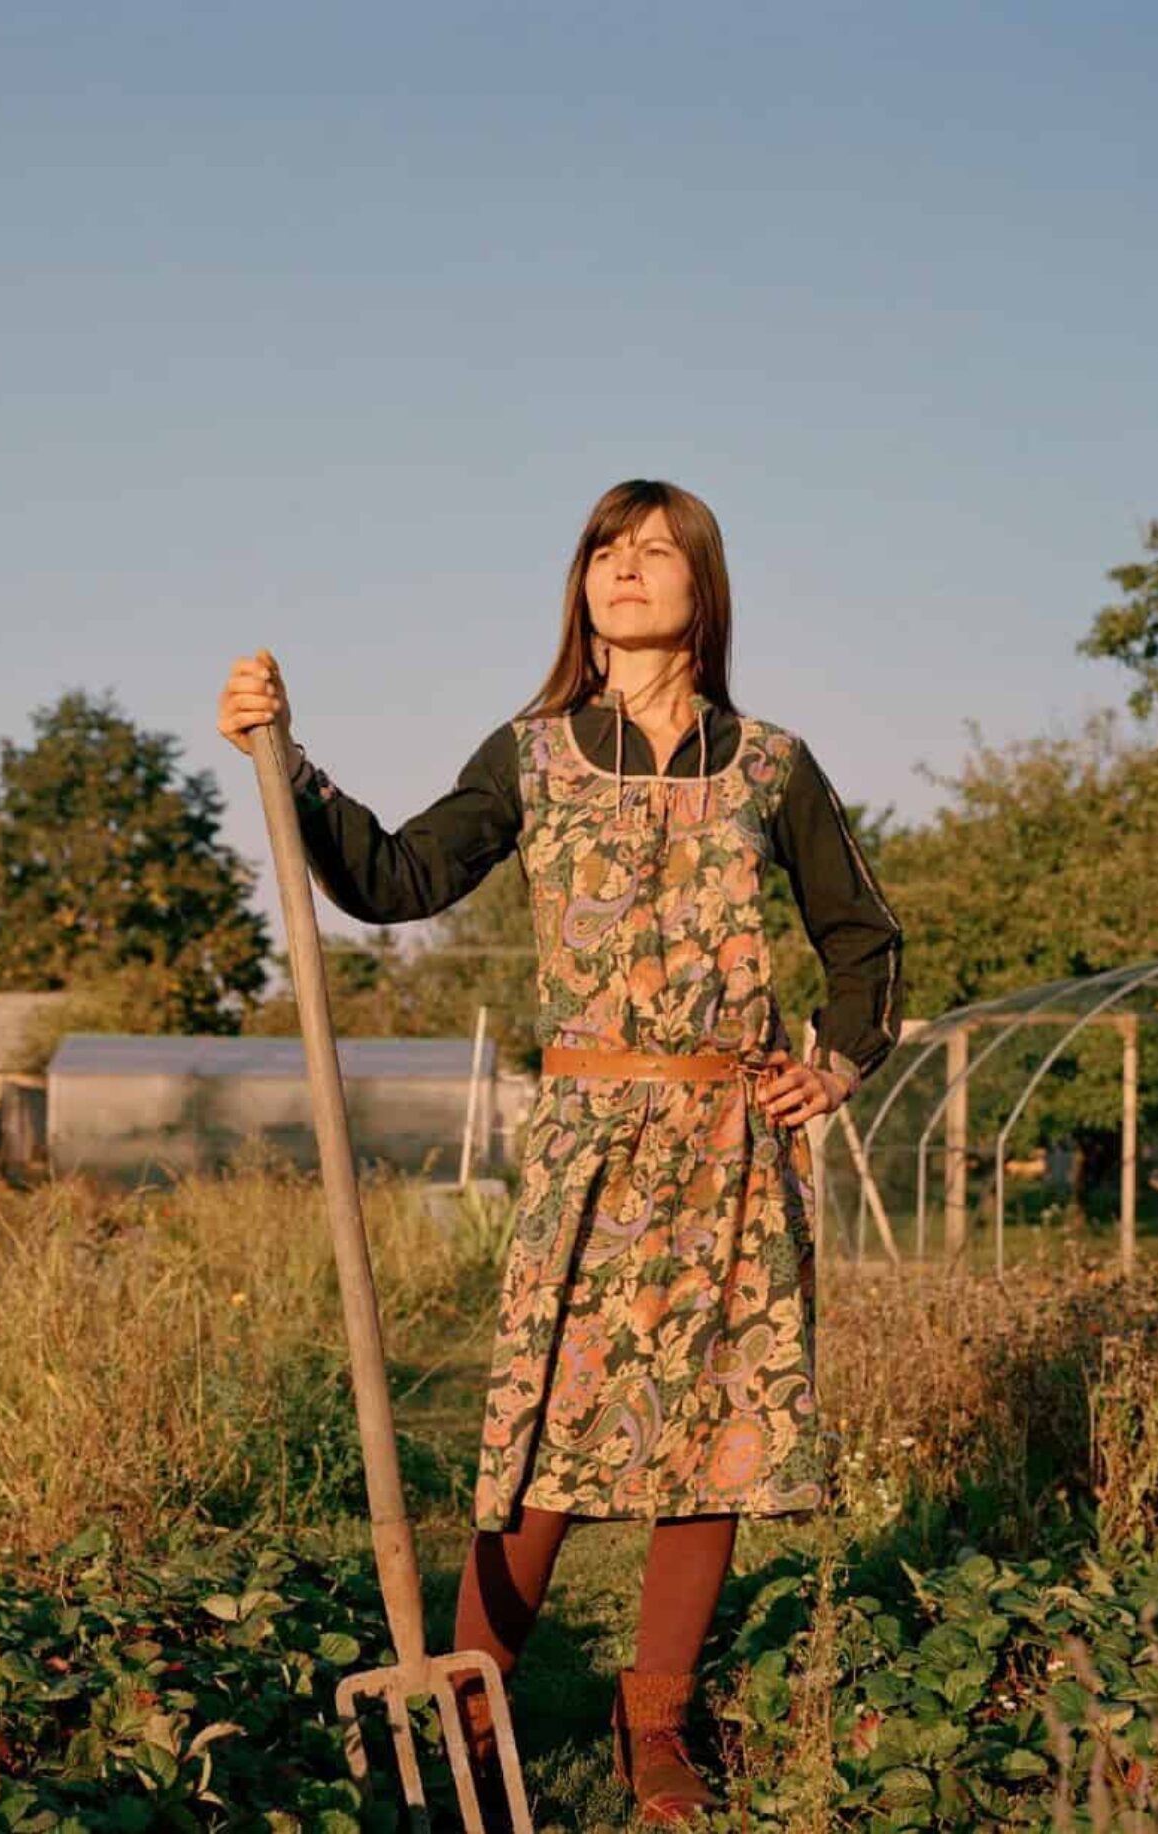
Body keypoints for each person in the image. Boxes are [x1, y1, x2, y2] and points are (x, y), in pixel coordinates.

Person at [218, 479, 902, 1826]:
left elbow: (862, 937)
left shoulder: (772, 764)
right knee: (543, 1430)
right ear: (580, 585)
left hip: (727, 1147)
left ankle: (657, 1725)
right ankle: (471, 1707)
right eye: (606, 550)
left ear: (706, 588)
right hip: (587, 1139)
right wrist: (286, 765)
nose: (626, 569)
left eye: (656, 552)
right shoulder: (531, 756)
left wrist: (831, 1058)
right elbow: (399, 877)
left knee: (714, 1434)